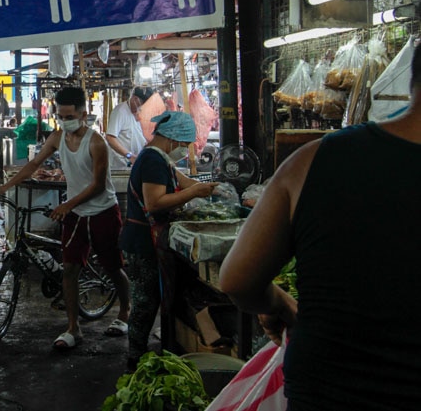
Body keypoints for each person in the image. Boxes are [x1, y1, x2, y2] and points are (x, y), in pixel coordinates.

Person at [219, 42, 421, 411]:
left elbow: (237, 280)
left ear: (411, 81)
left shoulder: (313, 160)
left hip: (327, 392)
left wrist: (277, 301)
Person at [0, 87, 130, 349]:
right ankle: (73, 328)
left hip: (103, 212)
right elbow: (33, 165)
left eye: (69, 116)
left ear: (83, 114)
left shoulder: (96, 142)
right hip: (76, 215)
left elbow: (98, 186)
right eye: (60, 116)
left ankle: (125, 311)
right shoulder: (58, 138)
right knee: (69, 270)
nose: (64, 121)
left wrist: (67, 205)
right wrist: (3, 188)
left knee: (113, 267)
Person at [122, 111, 218, 371]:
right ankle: (136, 357)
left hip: (147, 239)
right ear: (173, 139)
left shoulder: (158, 157)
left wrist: (209, 189)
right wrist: (194, 192)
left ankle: (158, 347)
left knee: (153, 298)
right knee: (145, 301)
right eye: (184, 145)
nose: (184, 150)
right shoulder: (152, 160)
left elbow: (181, 181)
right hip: (143, 241)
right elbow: (154, 203)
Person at [105, 87, 152, 171]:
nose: (143, 107)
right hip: (120, 165)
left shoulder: (138, 113)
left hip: (134, 163)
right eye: (142, 104)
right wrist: (129, 156)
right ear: (135, 99)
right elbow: (110, 138)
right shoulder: (120, 111)